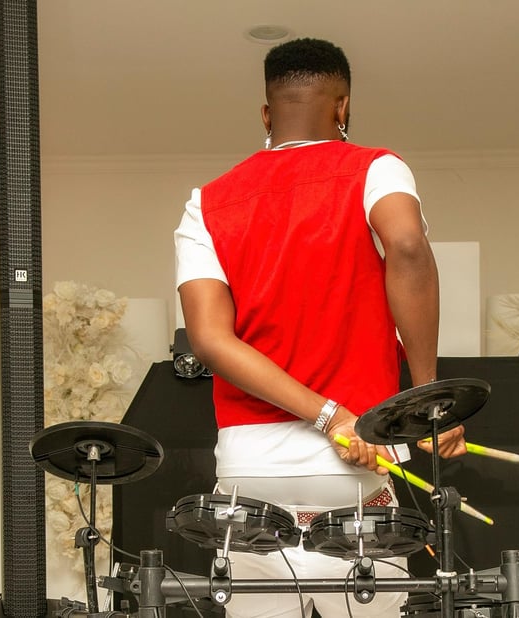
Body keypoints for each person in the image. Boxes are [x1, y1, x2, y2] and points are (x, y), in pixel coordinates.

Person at [174, 37, 466, 618]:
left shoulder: (206, 203)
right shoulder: (376, 168)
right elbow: (408, 245)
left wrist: (328, 417)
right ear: (343, 106)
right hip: (354, 464)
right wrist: (425, 402)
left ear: (266, 114)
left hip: (251, 470)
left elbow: (209, 340)